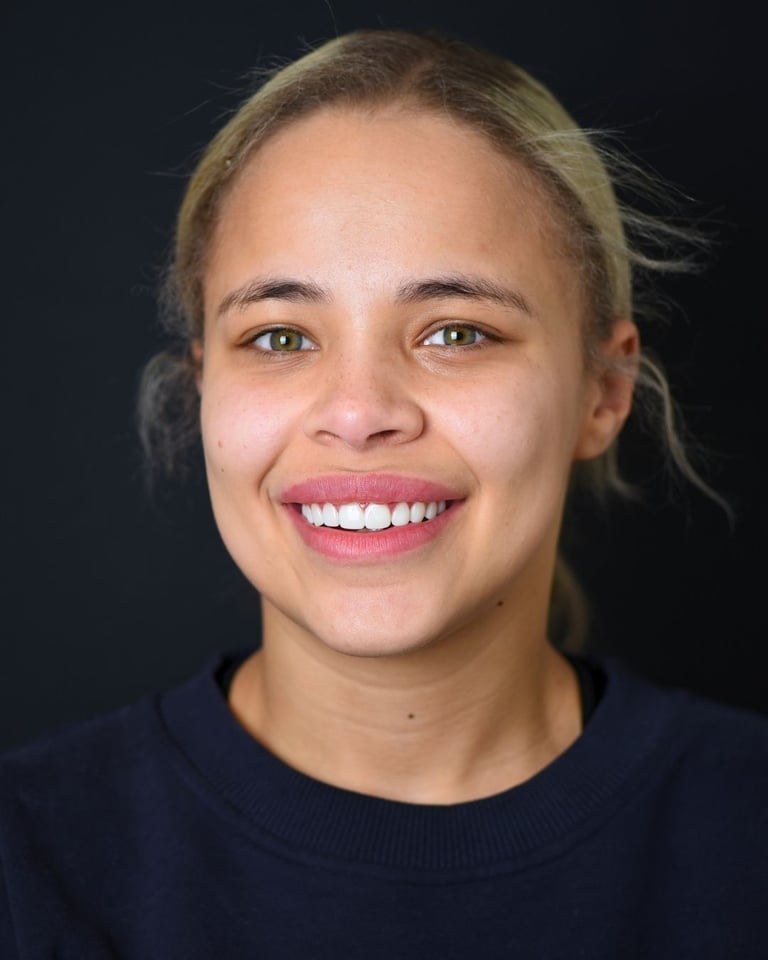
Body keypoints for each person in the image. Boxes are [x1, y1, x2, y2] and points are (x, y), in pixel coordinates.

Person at [1, 28, 766, 958]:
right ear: (205, 387)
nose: (359, 414)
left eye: (456, 332)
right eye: (281, 338)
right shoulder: (27, 862)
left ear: (601, 392)